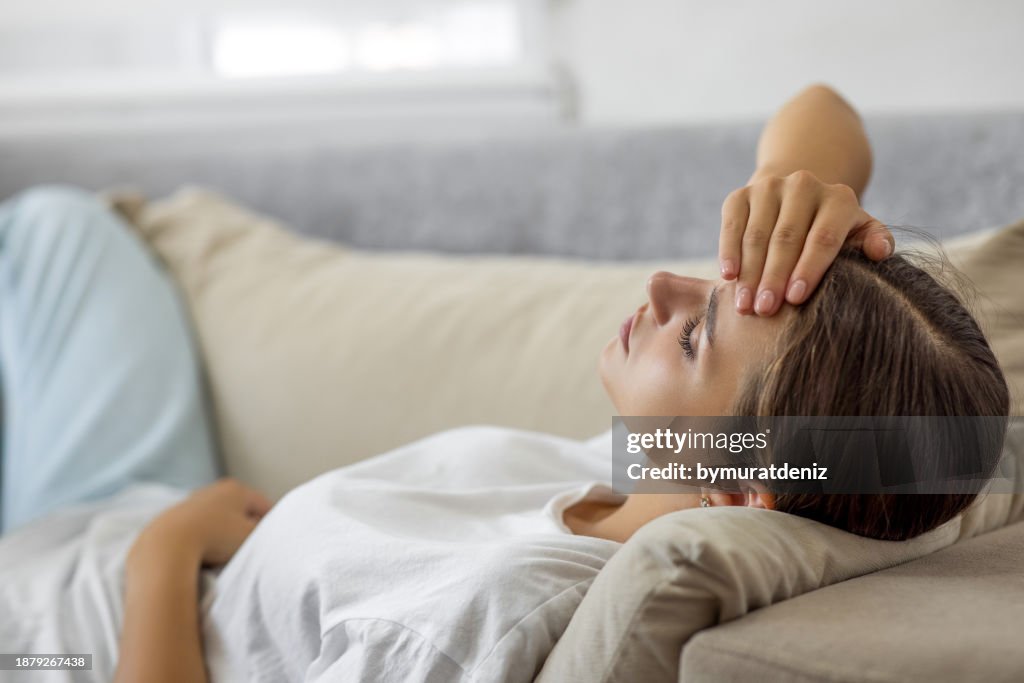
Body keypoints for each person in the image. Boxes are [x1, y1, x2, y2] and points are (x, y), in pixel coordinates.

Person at [0, 84, 1008, 682]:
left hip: (64, 623)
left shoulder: (483, 618)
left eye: (696, 334)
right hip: (117, 517)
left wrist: (165, 551)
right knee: (58, 228)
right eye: (713, 283)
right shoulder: (651, 475)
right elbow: (822, 107)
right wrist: (796, 185)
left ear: (743, 483)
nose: (659, 286)